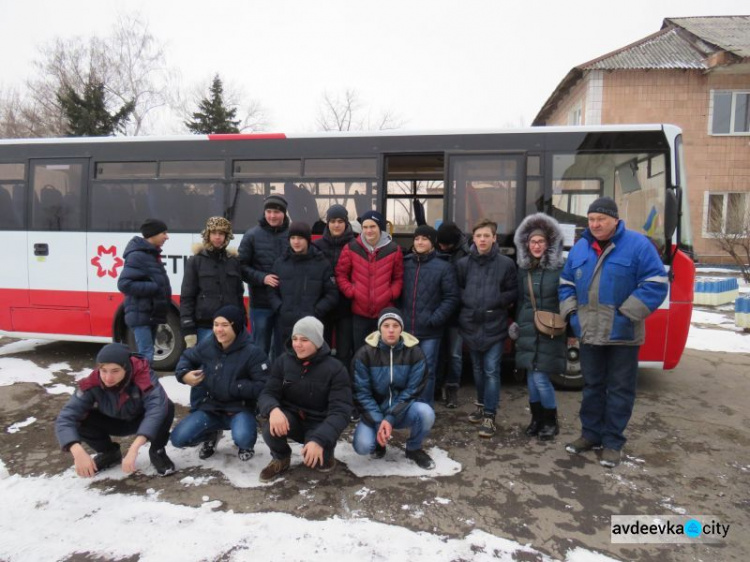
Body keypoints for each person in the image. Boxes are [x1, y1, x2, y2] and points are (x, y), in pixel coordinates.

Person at [560, 197, 668, 468]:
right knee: (592, 387)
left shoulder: (638, 245)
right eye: (592, 219)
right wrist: (572, 316)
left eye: (601, 219)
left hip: (623, 334)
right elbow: (565, 284)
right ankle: (590, 435)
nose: (595, 224)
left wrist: (626, 315)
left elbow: (656, 283)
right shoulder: (581, 247)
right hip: (589, 333)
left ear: (615, 221)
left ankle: (612, 442)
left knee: (620, 389)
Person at [55, 343, 175, 478]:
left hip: (140, 420)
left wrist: (134, 448)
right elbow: (66, 418)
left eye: (115, 371)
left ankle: (157, 451)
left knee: (166, 407)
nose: (108, 377)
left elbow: (156, 407)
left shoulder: (143, 374)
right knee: (80, 417)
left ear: (126, 368)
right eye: (104, 370)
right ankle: (109, 453)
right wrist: (77, 451)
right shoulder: (91, 383)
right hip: (112, 421)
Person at [257, 316, 353, 482]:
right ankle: (281, 457)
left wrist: (319, 439)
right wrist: (273, 409)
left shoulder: (336, 369)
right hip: (292, 419)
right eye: (294, 339)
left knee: (319, 462)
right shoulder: (283, 361)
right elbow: (267, 393)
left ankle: (325, 450)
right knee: (269, 425)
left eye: (304, 340)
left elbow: (341, 412)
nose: (297, 344)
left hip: (320, 423)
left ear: (317, 342)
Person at [170, 305, 269, 461]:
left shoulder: (253, 352)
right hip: (211, 408)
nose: (218, 330)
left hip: (239, 409)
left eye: (224, 325)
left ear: (235, 326)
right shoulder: (208, 345)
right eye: (216, 325)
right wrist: (184, 375)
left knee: (243, 437)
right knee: (178, 439)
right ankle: (210, 435)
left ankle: (245, 445)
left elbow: (264, 385)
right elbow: (187, 357)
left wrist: (234, 386)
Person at [351, 307, 436, 469]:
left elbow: (412, 391)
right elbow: (362, 394)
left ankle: (414, 449)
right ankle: (378, 442)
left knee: (426, 412)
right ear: (379, 328)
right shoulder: (364, 354)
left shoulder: (415, 353)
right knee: (362, 446)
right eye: (386, 325)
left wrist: (390, 418)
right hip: (374, 412)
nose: (391, 330)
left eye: (395, 326)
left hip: (401, 411)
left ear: (401, 329)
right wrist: (378, 422)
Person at [456, 219, 518, 438]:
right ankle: (480, 406)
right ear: (473, 239)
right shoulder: (463, 264)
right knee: (477, 370)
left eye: (486, 236)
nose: (482, 239)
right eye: (478, 236)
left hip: (495, 325)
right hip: (471, 324)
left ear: (494, 238)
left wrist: (497, 300)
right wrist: (468, 302)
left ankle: (490, 416)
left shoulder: (506, 264)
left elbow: (513, 291)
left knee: (491, 370)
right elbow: (459, 289)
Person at [510, 213, 567, 441]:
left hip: (550, 330)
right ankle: (536, 419)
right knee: (531, 378)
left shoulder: (559, 269)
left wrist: (570, 330)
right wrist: (516, 324)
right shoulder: (523, 270)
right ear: (526, 244)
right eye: (533, 242)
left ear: (549, 244)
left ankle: (551, 422)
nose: (536, 246)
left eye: (541, 242)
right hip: (527, 328)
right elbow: (522, 301)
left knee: (541, 378)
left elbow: (567, 299)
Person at [400, 225, 459, 406]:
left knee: (427, 370)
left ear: (432, 242)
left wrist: (435, 319)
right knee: (406, 370)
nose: (420, 242)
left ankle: (424, 407)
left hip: (430, 331)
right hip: (406, 330)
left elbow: (451, 297)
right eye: (417, 239)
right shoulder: (405, 263)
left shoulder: (444, 266)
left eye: (424, 239)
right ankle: (407, 407)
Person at [335, 210, 403, 352]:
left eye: (372, 226)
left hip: (384, 314)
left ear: (380, 228)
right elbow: (340, 275)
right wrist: (352, 292)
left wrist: (391, 294)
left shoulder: (393, 249)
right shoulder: (351, 248)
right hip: (360, 313)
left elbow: (398, 278)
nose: (368, 231)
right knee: (361, 353)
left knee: (383, 354)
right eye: (365, 227)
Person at [268, 221, 338, 358]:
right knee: (286, 363)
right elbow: (271, 291)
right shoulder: (280, 263)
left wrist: (316, 311)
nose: (296, 242)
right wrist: (280, 308)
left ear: (308, 240)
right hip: (286, 325)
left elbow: (332, 294)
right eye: (292, 238)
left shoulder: (322, 263)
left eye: (300, 238)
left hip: (312, 325)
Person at [238, 194, 290, 359]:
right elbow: (240, 267)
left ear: (284, 213)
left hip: (285, 303)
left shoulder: (292, 235)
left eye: (277, 212)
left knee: (283, 350)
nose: (272, 216)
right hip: (261, 303)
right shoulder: (251, 235)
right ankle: (260, 382)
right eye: (269, 211)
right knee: (259, 349)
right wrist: (262, 278)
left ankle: (280, 383)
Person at [180, 216, 245, 347]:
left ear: (226, 237)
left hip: (230, 327)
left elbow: (238, 295)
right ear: (208, 235)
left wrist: (242, 320)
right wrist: (188, 327)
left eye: (221, 234)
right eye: (214, 233)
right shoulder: (195, 261)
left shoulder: (233, 261)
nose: (217, 237)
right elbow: (187, 296)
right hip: (205, 326)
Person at [117, 218, 172, 365]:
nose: (167, 237)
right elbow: (124, 284)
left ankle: (144, 385)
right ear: (152, 234)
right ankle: (142, 385)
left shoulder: (150, 254)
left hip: (149, 313)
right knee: (146, 355)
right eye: (164, 233)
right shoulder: (138, 256)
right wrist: (153, 288)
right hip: (140, 314)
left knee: (147, 354)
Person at [313, 204, 356, 366]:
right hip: (323, 308)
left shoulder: (355, 245)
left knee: (345, 352)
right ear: (327, 223)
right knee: (322, 350)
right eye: (332, 221)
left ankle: (343, 387)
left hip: (347, 308)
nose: (336, 225)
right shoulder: (317, 246)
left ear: (346, 223)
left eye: (340, 221)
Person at [435, 222, 470, 408]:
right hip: (438, 310)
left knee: (455, 354)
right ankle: (437, 387)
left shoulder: (466, 253)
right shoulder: (435, 249)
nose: (442, 247)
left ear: (454, 242)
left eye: (445, 245)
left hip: (456, 312)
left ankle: (452, 389)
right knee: (438, 354)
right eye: (440, 244)